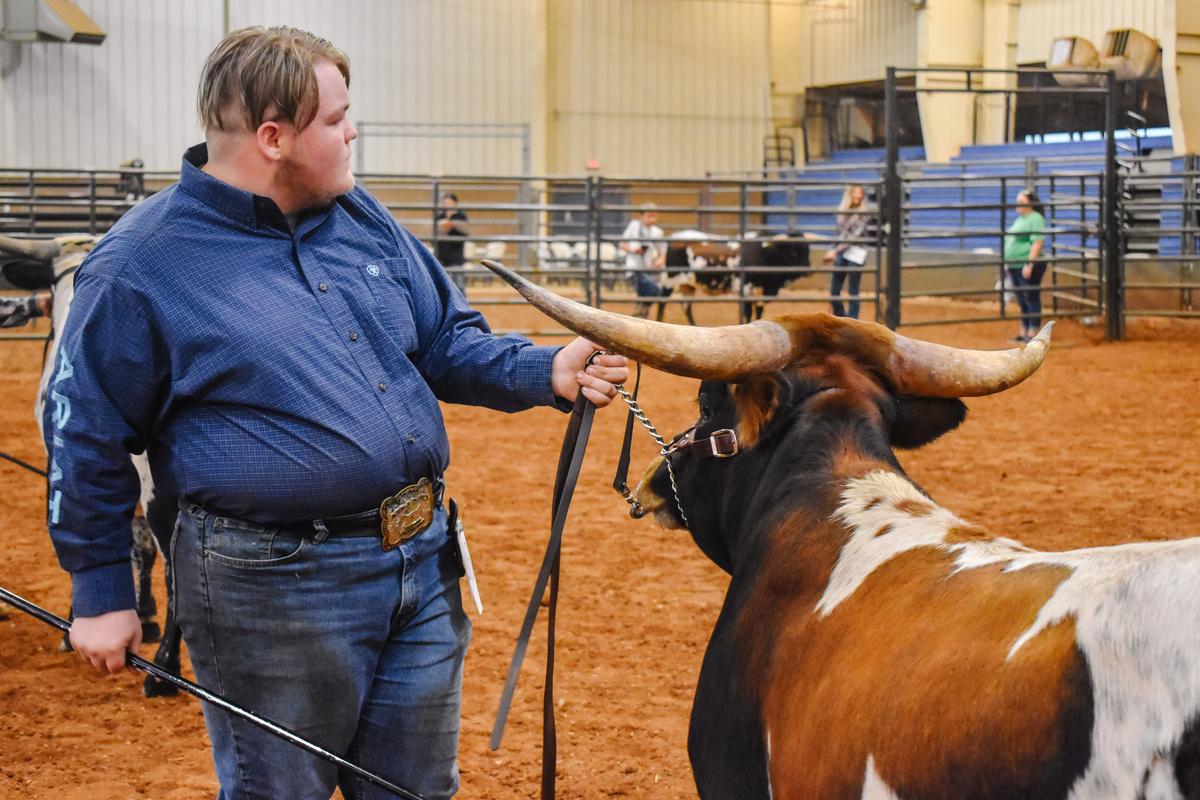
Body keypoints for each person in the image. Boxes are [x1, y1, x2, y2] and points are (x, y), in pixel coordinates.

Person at [43, 26, 627, 800]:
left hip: (420, 561)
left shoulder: (361, 217)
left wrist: (543, 368)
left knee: (418, 791)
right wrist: (101, 588)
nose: (353, 132)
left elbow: (443, 339)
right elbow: (82, 430)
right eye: (337, 118)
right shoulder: (138, 266)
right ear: (274, 138)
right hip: (272, 588)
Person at [822, 184, 872, 319]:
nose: (858, 195)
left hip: (856, 252)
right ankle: (841, 318)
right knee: (834, 290)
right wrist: (832, 250)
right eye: (855, 192)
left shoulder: (864, 214)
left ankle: (852, 321)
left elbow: (854, 237)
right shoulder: (841, 212)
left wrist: (834, 251)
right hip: (842, 251)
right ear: (849, 194)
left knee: (853, 290)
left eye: (860, 193)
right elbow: (839, 234)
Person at [1004, 189, 1048, 342]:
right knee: (1022, 298)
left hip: (1027, 264)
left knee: (1030, 297)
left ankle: (1032, 333)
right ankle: (1024, 331)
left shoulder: (1035, 218)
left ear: (1030, 204)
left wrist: (1030, 264)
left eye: (1021, 202)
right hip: (1015, 264)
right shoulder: (1021, 218)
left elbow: (1037, 242)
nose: (1017, 204)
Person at [620, 202, 669, 320]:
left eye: (654, 216)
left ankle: (639, 316)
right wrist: (633, 250)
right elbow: (622, 243)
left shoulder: (657, 232)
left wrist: (660, 260)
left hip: (648, 270)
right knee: (654, 291)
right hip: (633, 268)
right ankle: (639, 314)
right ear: (641, 216)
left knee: (645, 294)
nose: (652, 219)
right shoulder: (634, 225)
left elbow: (663, 250)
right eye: (649, 216)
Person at [434, 192, 469, 293]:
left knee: (459, 286)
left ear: (455, 203)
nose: (448, 205)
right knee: (442, 286)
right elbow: (435, 234)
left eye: (450, 203)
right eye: (445, 203)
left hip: (456, 256)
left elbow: (464, 234)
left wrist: (453, 225)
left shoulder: (461, 217)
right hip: (441, 255)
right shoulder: (440, 217)